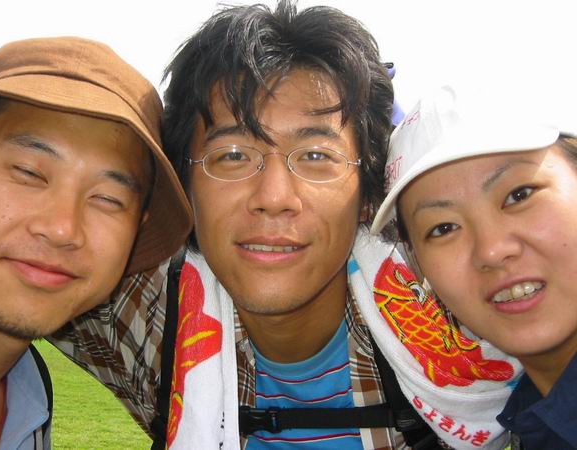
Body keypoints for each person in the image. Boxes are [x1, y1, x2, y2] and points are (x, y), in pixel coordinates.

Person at [50, 3, 520, 450]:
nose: (274, 198)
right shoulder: (145, 310)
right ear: (185, 187)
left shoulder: (453, 310)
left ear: (367, 196)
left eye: (316, 156)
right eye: (232, 155)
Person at [0, 36, 192, 450]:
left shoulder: (27, 392)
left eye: (108, 199)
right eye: (29, 173)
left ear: (137, 228)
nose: (63, 229)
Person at [371, 85, 577, 449]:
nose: (491, 250)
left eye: (519, 195)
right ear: (418, 264)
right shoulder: (532, 420)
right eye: (443, 228)